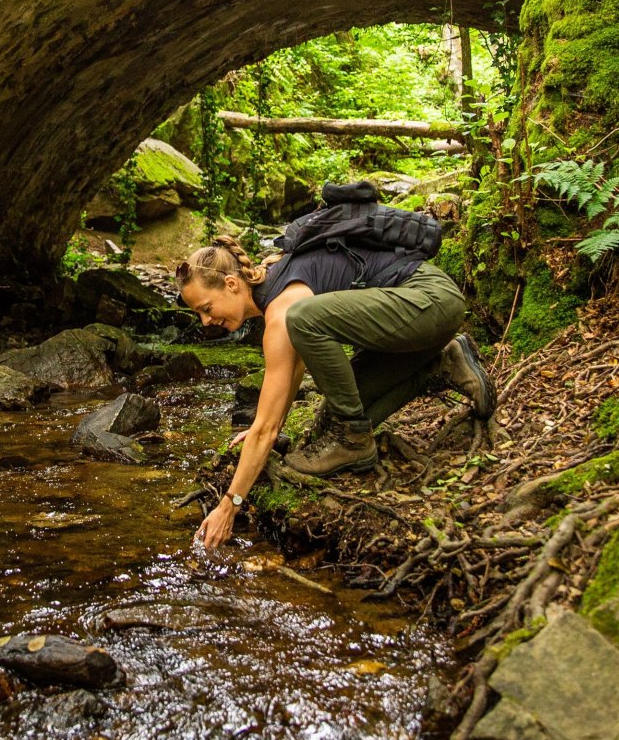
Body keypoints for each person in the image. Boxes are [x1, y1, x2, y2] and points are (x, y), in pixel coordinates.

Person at [177, 234, 495, 550]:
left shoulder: (285, 309)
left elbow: (268, 429)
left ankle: (354, 439)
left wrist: (229, 506)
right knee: (333, 419)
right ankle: (443, 362)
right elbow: (292, 373)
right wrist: (263, 424)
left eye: (206, 307)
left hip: (431, 300)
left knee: (308, 331)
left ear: (232, 284)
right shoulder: (277, 296)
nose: (206, 321)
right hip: (420, 314)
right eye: (199, 314)